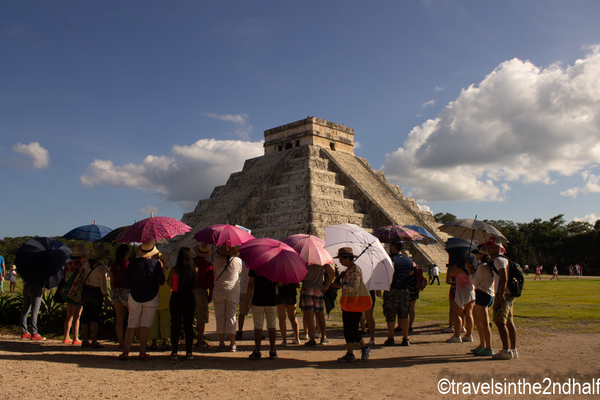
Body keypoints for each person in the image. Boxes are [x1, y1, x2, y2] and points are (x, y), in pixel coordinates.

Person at [119, 241, 165, 360]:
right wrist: (161, 268)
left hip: (135, 295)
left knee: (131, 323)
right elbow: (161, 281)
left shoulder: (133, 263)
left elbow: (126, 280)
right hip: (151, 295)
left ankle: (126, 351)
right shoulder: (156, 263)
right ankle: (142, 351)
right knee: (145, 324)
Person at [335, 247, 370, 362]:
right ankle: (350, 353)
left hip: (355, 303)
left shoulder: (355, 270)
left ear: (347, 258)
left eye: (341, 259)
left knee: (353, 329)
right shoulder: (348, 270)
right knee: (347, 329)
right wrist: (342, 277)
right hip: (347, 303)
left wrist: (340, 285)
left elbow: (354, 287)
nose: (340, 261)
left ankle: (364, 347)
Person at [485, 240, 518, 360]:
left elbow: (504, 278)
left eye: (492, 247)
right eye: (488, 247)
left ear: (499, 247)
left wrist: (501, 295)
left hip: (503, 294)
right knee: (509, 321)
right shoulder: (502, 259)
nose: (489, 249)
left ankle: (506, 350)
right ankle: (513, 350)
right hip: (508, 294)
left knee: (500, 322)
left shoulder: (499, 260)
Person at [465, 245, 495, 357]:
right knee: (480, 322)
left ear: (482, 254)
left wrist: (469, 271)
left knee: (484, 324)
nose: (475, 255)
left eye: (477, 253)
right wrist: (474, 271)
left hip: (483, 294)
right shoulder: (487, 266)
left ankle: (488, 347)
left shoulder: (483, 266)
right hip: (488, 294)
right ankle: (482, 345)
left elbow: (474, 282)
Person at [168, 247, 197, 360]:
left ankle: (174, 351)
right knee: (188, 325)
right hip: (189, 297)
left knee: (175, 324)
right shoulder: (195, 270)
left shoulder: (175, 269)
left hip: (176, 297)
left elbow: (169, 283)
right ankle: (189, 352)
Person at [212, 245, 242, 352]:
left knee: (219, 316)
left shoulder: (216, 260)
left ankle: (221, 342)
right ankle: (232, 343)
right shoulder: (238, 261)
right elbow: (239, 273)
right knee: (231, 316)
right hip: (231, 291)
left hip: (219, 289)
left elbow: (214, 272)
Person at [381, 242, 412, 346]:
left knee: (391, 314)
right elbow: (411, 272)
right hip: (404, 289)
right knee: (404, 314)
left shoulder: (390, 259)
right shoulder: (407, 259)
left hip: (392, 289)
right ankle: (405, 338)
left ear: (393, 247)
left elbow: (385, 272)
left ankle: (391, 337)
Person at [80, 244, 110, 348]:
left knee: (86, 315)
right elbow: (103, 284)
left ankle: (84, 339)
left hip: (86, 290)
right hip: (96, 292)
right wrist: (105, 297)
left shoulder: (86, 264)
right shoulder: (101, 266)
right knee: (95, 316)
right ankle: (94, 340)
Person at [300, 263, 335, 346]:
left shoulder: (304, 260)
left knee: (309, 316)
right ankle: (323, 337)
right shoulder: (321, 260)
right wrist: (327, 286)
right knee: (320, 315)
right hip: (318, 289)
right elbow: (332, 272)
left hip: (307, 288)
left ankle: (312, 339)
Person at [445, 249, 475, 344]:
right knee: (469, 313)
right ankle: (469, 335)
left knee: (458, 313)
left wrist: (451, 266)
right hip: (470, 290)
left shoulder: (459, 266)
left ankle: (457, 335)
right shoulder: (472, 267)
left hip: (460, 291)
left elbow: (450, 276)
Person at [247, 269, 278, 359]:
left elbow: (250, 284)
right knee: (272, 325)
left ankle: (257, 350)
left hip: (258, 299)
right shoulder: (274, 266)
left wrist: (247, 300)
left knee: (258, 326)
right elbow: (279, 282)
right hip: (271, 299)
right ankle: (272, 350)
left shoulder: (255, 266)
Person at [62, 244, 89, 344]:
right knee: (77, 316)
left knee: (69, 315)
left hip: (68, 291)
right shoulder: (81, 265)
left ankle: (66, 336)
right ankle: (75, 337)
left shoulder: (68, 265)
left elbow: (64, 277)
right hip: (77, 292)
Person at [192, 243, 214, 348]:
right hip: (201, 291)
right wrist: (210, 295)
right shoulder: (209, 265)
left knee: (189, 315)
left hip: (189, 290)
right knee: (201, 316)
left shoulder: (191, 262)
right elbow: (211, 282)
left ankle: (189, 337)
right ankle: (200, 339)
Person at [149, 253, 171, 351]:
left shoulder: (153, 272)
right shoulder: (169, 272)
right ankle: (164, 342)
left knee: (154, 323)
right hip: (166, 300)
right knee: (165, 323)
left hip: (154, 298)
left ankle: (153, 342)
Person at [110, 244, 130, 349]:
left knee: (119, 319)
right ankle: (134, 339)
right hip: (126, 291)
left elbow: (112, 281)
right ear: (127, 253)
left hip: (116, 291)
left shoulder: (114, 265)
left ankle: (121, 341)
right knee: (132, 318)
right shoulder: (128, 265)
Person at [235, 261, 250, 341]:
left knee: (242, 312)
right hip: (254, 290)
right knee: (256, 312)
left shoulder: (242, 262)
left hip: (244, 289)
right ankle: (258, 330)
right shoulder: (256, 262)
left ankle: (240, 330)